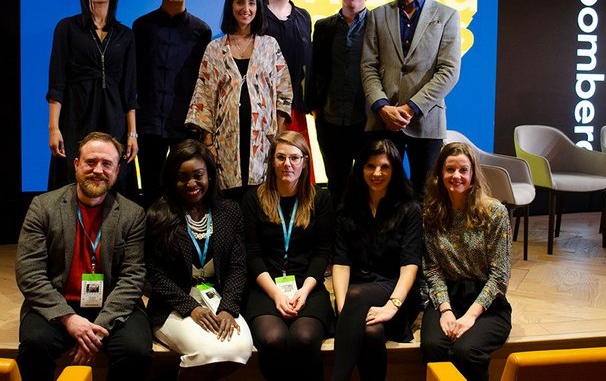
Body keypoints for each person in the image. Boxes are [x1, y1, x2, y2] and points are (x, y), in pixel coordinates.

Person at [16, 131, 152, 381]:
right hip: (58, 304)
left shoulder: (133, 214)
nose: (98, 170)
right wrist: (68, 319)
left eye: (107, 163)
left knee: (137, 351)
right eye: (91, 162)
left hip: (112, 304)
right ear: (77, 164)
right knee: (36, 344)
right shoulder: (43, 207)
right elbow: (29, 273)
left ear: (118, 170)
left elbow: (133, 278)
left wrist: (98, 329)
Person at [144, 139, 253, 380]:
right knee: (206, 351)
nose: (191, 183)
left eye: (198, 175)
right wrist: (190, 307)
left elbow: (238, 266)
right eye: (183, 177)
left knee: (241, 350)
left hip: (217, 298)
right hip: (173, 304)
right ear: (173, 180)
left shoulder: (229, 212)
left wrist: (228, 309)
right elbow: (154, 275)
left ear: (210, 176)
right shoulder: (158, 214)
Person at [361, 0, 461, 197]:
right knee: (381, 195)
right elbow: (368, 66)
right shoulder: (377, 15)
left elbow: (449, 71)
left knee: (424, 197)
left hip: (426, 121)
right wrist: (382, 107)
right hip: (384, 120)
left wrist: (411, 108)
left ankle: (417, 241)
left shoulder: (448, 16)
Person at [186, 0, 292, 203]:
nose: (246, 9)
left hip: (264, 143)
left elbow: (284, 92)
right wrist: (208, 144)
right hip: (225, 143)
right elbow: (204, 97)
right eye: (240, 2)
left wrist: (278, 139)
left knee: (261, 202)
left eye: (252, 3)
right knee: (228, 202)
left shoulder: (269, 46)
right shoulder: (215, 49)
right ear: (230, 6)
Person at [241, 131, 335, 381]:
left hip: (308, 286)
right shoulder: (253, 198)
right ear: (272, 161)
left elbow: (322, 253)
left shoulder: (320, 199)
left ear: (305, 161)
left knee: (304, 339)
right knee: (273, 339)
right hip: (265, 287)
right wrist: (276, 294)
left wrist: (303, 291)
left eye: (294, 158)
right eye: (281, 157)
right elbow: (252, 253)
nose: (287, 164)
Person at [330, 139, 423, 381]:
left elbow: (409, 265)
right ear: (360, 169)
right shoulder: (346, 209)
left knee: (357, 295)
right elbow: (341, 262)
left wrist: (392, 305)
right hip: (358, 294)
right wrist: (343, 308)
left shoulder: (410, 209)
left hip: (397, 291)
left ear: (394, 170)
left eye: (384, 167)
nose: (377, 173)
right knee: (371, 332)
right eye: (370, 166)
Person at [420, 141, 512, 381]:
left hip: (487, 302)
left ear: (473, 174)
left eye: (463, 170)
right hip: (447, 296)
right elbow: (432, 268)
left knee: (466, 350)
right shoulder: (431, 213)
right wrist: (445, 310)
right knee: (433, 346)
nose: (456, 176)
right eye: (450, 170)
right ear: (440, 174)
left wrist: (470, 316)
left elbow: (500, 276)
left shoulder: (495, 213)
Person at [46, 0, 139, 195]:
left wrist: (132, 133)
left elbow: (130, 91)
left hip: (114, 118)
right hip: (76, 116)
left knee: (113, 180)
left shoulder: (126, 35)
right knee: (72, 178)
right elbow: (57, 83)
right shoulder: (66, 28)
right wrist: (53, 128)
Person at [133, 0, 212, 206]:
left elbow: (204, 83)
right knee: (152, 191)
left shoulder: (201, 31)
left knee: (186, 190)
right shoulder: (141, 27)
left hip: (185, 126)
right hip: (148, 125)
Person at [309, 0, 372, 206]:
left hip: (366, 122)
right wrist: (316, 106)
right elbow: (316, 69)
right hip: (330, 121)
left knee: (366, 187)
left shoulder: (378, 25)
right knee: (336, 187)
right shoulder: (323, 26)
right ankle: (336, 242)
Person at [263, 0, 315, 181]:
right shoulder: (255, 14)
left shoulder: (304, 17)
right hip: (261, 112)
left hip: (294, 111)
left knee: (297, 178)